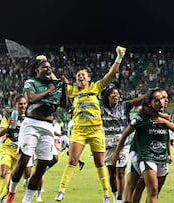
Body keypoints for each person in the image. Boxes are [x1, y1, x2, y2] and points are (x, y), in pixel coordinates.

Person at [55, 46, 126, 203]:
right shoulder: (72, 90)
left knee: (99, 162)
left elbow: (110, 74)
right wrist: (48, 69)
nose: (80, 77)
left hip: (96, 131)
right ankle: (61, 190)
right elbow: (56, 82)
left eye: (83, 75)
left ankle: (106, 194)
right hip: (79, 130)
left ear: (88, 79)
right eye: (78, 76)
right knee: (72, 160)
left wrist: (119, 58)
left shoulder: (95, 87)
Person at [5, 55, 70, 203]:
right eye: (45, 67)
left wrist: (64, 87)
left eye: (50, 67)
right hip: (31, 124)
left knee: (41, 166)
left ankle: (26, 201)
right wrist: (49, 90)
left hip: (47, 126)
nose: (48, 69)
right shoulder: (31, 82)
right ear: (37, 70)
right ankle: (11, 193)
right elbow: (30, 99)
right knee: (23, 162)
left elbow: (65, 104)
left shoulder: (55, 85)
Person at [112, 88, 174, 203]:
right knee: (139, 186)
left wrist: (169, 154)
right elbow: (125, 134)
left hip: (161, 156)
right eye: (159, 99)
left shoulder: (164, 116)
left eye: (164, 98)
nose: (163, 101)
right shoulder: (142, 117)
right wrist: (116, 153)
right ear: (149, 103)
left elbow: (169, 133)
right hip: (142, 154)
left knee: (153, 190)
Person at [101, 86, 144, 202]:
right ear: (107, 97)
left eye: (118, 93)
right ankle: (115, 194)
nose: (116, 95)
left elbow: (138, 100)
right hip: (108, 144)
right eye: (113, 94)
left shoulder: (124, 106)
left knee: (121, 172)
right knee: (112, 173)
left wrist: (150, 94)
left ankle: (120, 199)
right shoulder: (101, 109)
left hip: (123, 143)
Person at [0, 94, 27, 203]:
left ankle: (4, 196)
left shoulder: (29, 117)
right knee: (2, 173)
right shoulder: (8, 116)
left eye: (24, 104)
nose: (23, 106)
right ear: (15, 105)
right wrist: (9, 126)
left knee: (12, 179)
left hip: (21, 152)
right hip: (8, 149)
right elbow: (0, 133)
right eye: (20, 104)